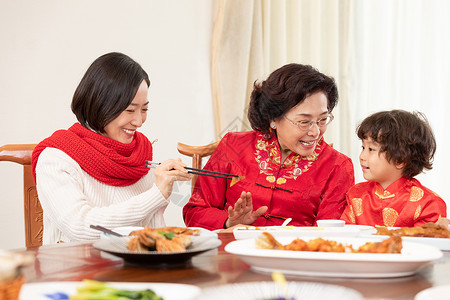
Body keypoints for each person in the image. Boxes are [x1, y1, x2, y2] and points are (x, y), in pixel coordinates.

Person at [31, 52, 191, 244]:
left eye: (145, 109)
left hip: (132, 270)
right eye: (130, 110)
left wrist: (163, 192)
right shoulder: (56, 159)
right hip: (74, 270)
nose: (139, 121)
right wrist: (155, 195)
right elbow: (81, 228)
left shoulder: (139, 156)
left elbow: (153, 236)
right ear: (101, 104)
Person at [183, 63, 355, 230]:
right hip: (232, 253)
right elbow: (195, 212)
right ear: (273, 118)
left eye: (322, 119)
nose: (316, 132)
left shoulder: (338, 166)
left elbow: (329, 235)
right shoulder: (233, 146)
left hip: (294, 256)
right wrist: (229, 222)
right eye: (304, 122)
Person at [341, 110, 447, 227]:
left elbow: (423, 242)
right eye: (363, 147)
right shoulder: (356, 194)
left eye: (371, 149)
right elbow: (346, 236)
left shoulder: (429, 203)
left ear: (400, 159)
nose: (362, 156)